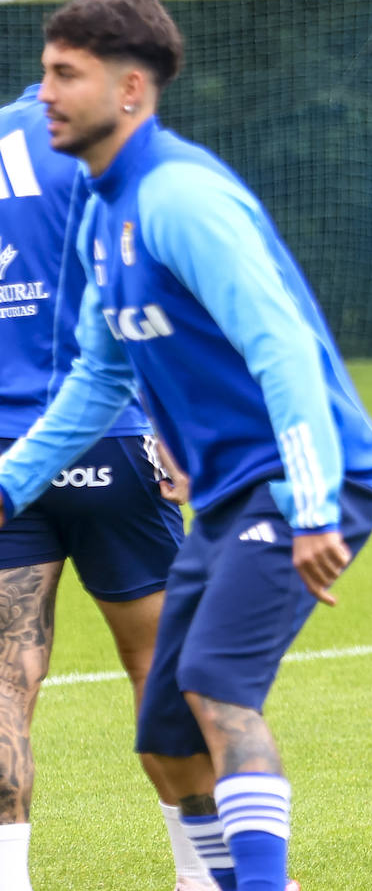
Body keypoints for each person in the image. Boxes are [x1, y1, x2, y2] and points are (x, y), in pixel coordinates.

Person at [0, 0, 372, 891]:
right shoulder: (103, 211)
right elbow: (98, 380)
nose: (45, 93)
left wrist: (311, 502)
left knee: (213, 683)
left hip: (300, 478)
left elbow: (283, 345)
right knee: (165, 728)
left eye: (67, 75)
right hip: (227, 491)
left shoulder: (181, 196)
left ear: (130, 88)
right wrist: (9, 484)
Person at [0, 82, 218, 891]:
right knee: (163, 664)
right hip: (112, 438)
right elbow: (154, 291)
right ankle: (204, 874)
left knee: (3, 676)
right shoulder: (101, 148)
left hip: (4, 453)